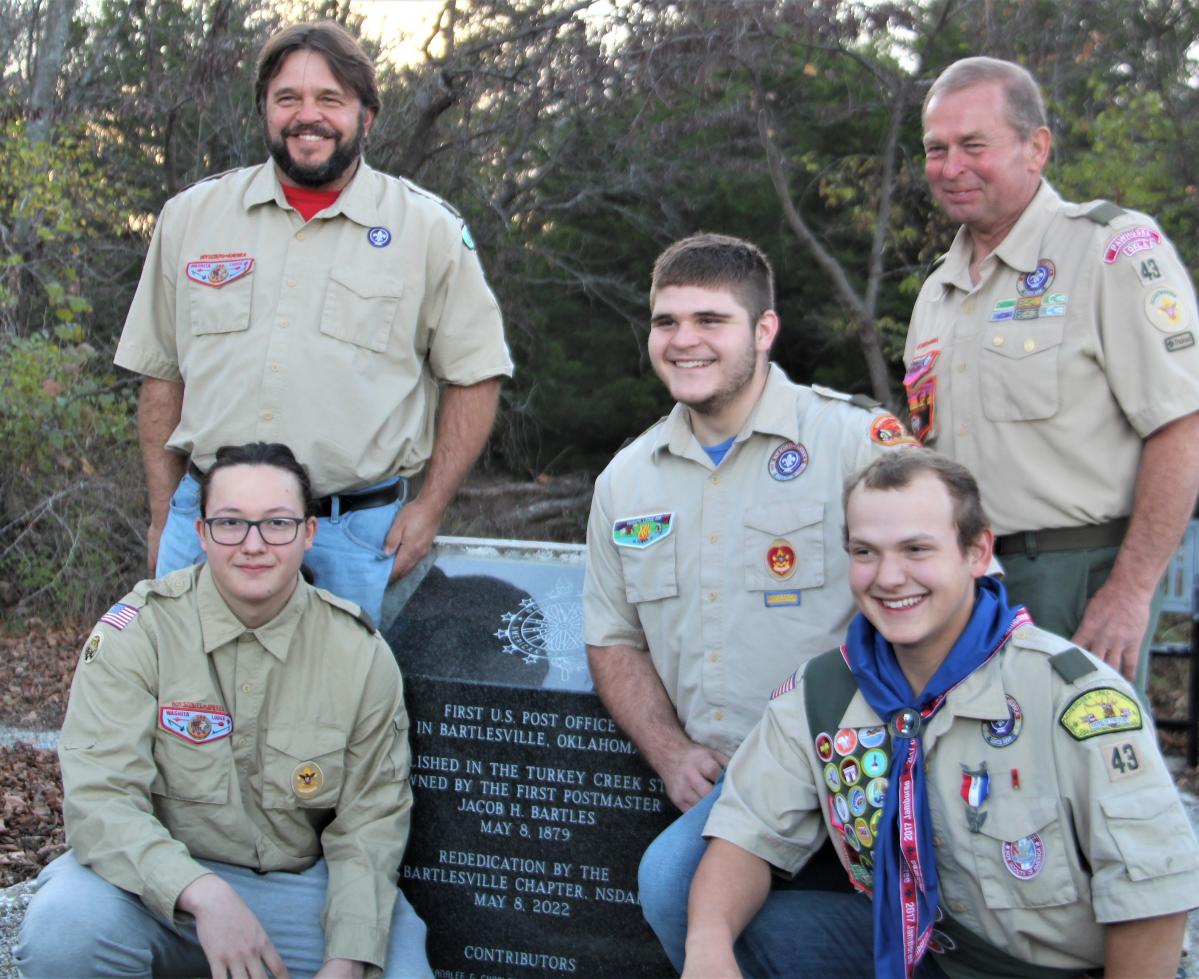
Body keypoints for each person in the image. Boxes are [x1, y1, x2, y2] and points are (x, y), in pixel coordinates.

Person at [683, 449, 1199, 979]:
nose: (889, 577)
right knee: (728, 923)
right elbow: (744, 836)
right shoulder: (823, 692)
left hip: (1054, 969)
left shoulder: (1071, 695)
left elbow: (1152, 895)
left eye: (917, 549)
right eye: (865, 552)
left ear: (978, 552)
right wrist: (707, 950)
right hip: (928, 953)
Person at [581, 233, 914, 969]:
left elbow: (936, 593)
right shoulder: (628, 480)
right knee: (674, 885)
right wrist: (669, 754)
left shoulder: (855, 442)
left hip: (871, 759)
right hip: (735, 782)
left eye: (710, 320)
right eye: (666, 321)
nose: (683, 340)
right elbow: (612, 636)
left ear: (764, 330)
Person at [114, 21, 513, 626]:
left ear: (367, 115)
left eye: (331, 99)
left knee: (337, 714)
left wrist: (430, 506)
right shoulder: (191, 217)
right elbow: (160, 374)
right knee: (193, 709)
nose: (309, 116)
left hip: (352, 538)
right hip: (207, 527)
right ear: (265, 111)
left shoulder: (427, 231)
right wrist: (163, 512)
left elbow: (476, 375)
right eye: (288, 99)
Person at [16, 443, 429, 979]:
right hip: (153, 888)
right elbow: (101, 800)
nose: (253, 545)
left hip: (295, 894)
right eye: (230, 523)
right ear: (202, 533)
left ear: (308, 533)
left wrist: (347, 960)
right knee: (65, 931)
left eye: (277, 523)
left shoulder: (359, 654)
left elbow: (370, 823)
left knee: (396, 966)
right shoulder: (139, 633)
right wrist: (201, 893)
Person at [904, 56, 1199, 694]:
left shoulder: (1110, 251)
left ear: (1036, 148)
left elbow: (1183, 423)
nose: (951, 166)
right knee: (973, 781)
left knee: (1077, 779)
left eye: (974, 144)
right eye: (936, 149)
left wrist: (1130, 592)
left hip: (1074, 578)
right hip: (961, 581)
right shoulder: (937, 290)